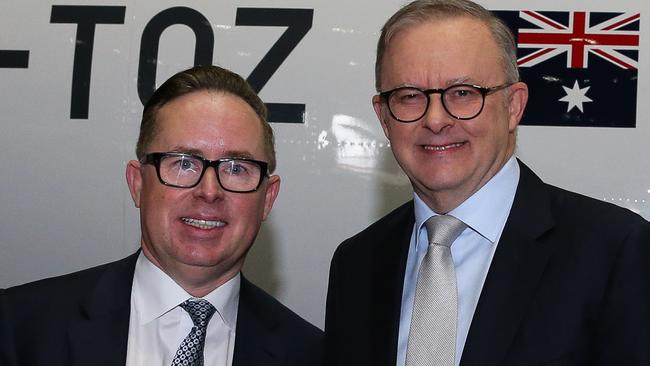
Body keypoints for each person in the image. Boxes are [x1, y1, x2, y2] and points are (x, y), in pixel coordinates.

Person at [324, 1, 650, 365]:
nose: (435, 120)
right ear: (384, 117)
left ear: (513, 106)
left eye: (463, 93)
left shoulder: (614, 251)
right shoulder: (357, 263)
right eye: (409, 96)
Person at [0, 65, 322, 366]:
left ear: (267, 198)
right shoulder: (19, 329)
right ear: (137, 184)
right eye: (183, 163)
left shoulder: (314, 355)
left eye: (236, 168)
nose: (209, 191)